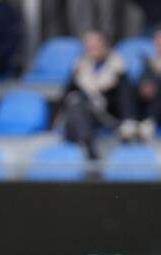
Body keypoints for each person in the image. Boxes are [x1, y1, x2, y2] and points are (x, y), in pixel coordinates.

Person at [60, 30, 133, 159]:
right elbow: (66, 94)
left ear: (104, 45)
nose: (92, 49)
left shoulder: (118, 68)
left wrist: (127, 121)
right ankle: (88, 144)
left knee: (78, 107)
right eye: (89, 46)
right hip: (84, 117)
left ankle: (87, 146)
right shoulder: (80, 66)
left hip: (107, 117)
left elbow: (125, 99)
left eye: (96, 45)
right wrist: (74, 75)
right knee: (77, 103)